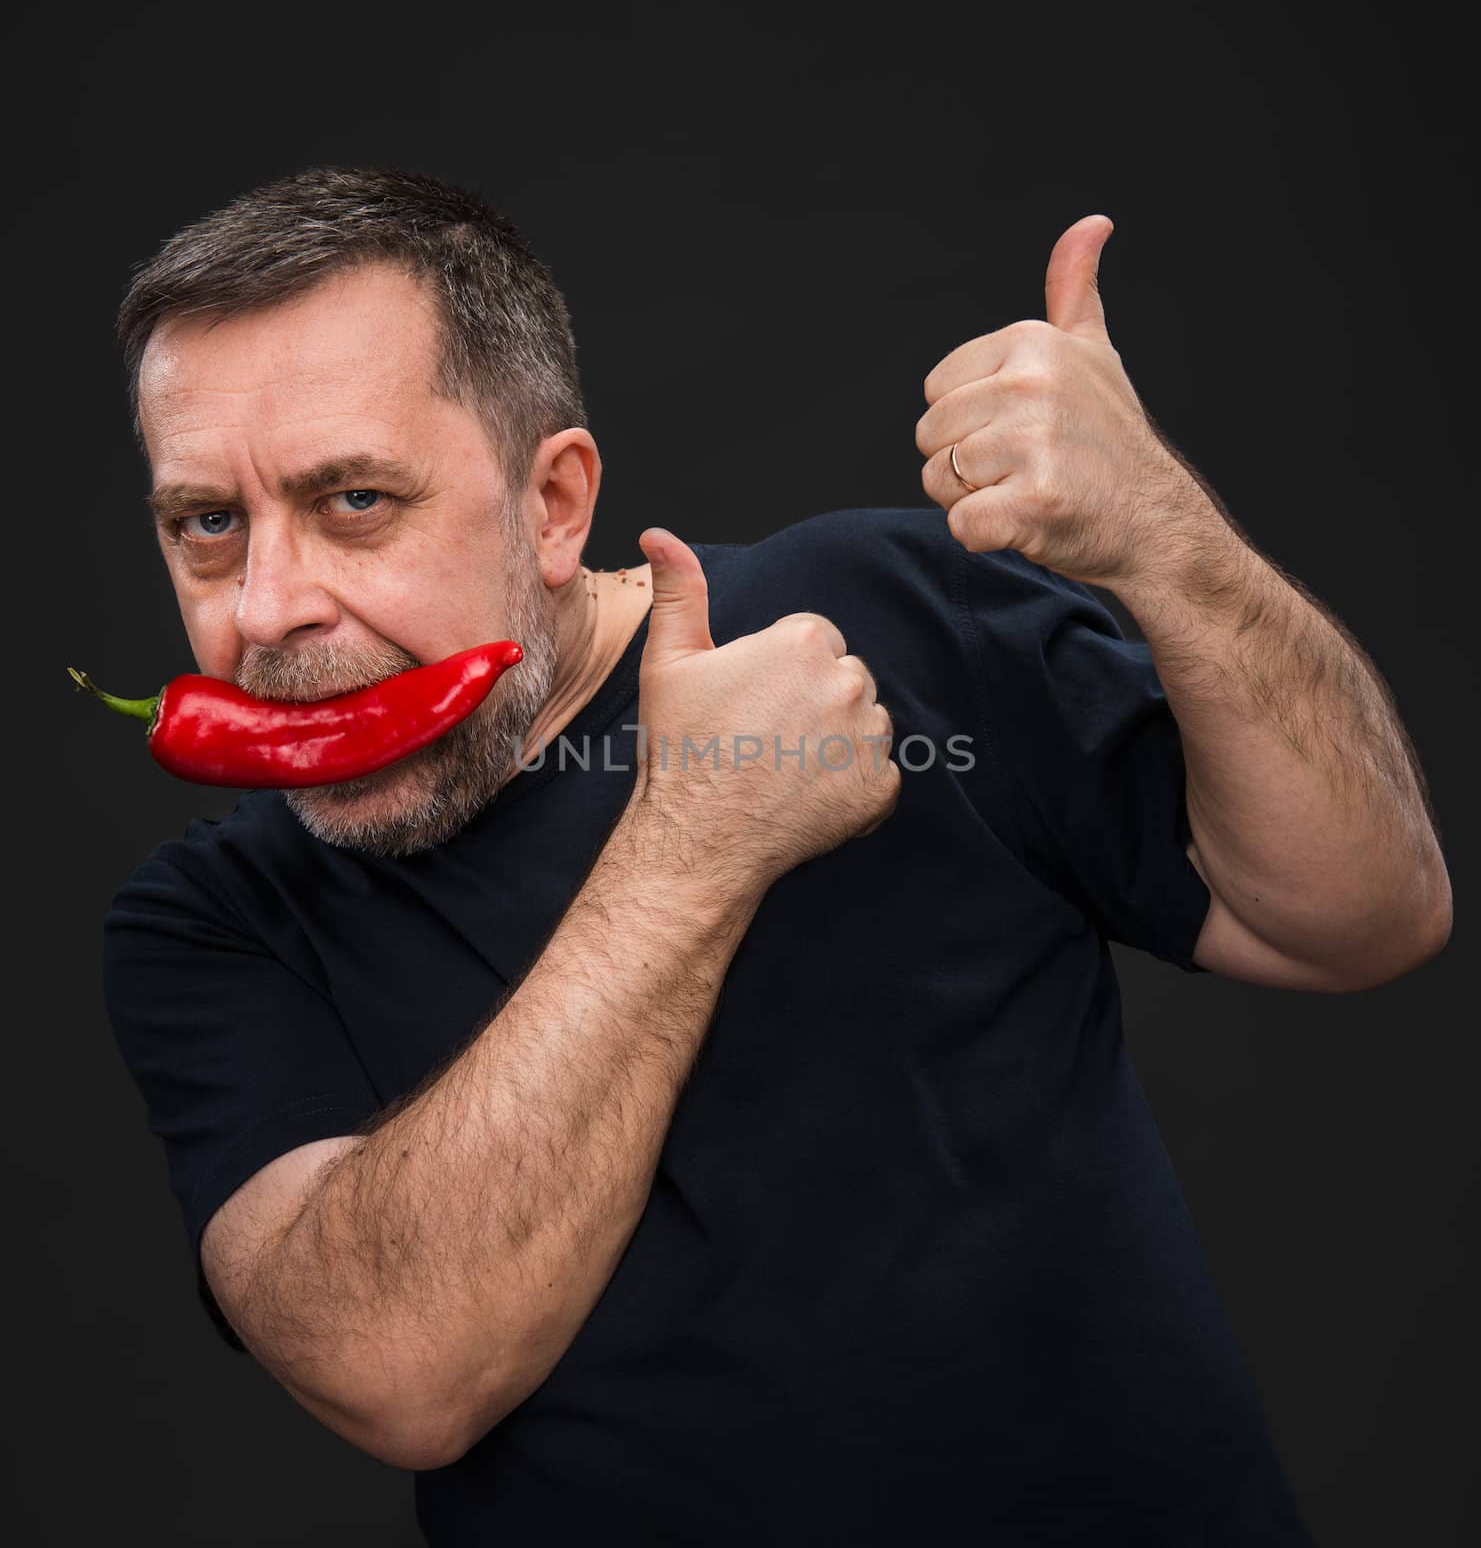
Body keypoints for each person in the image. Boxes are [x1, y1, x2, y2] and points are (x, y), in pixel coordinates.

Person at [100, 165, 1450, 1545]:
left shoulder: (886, 613)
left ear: (554, 503)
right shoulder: (212, 921)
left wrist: (1167, 538)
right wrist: (691, 849)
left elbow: (1361, 918)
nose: (266, 611)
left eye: (355, 501)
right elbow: (395, 1378)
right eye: (206, 523)